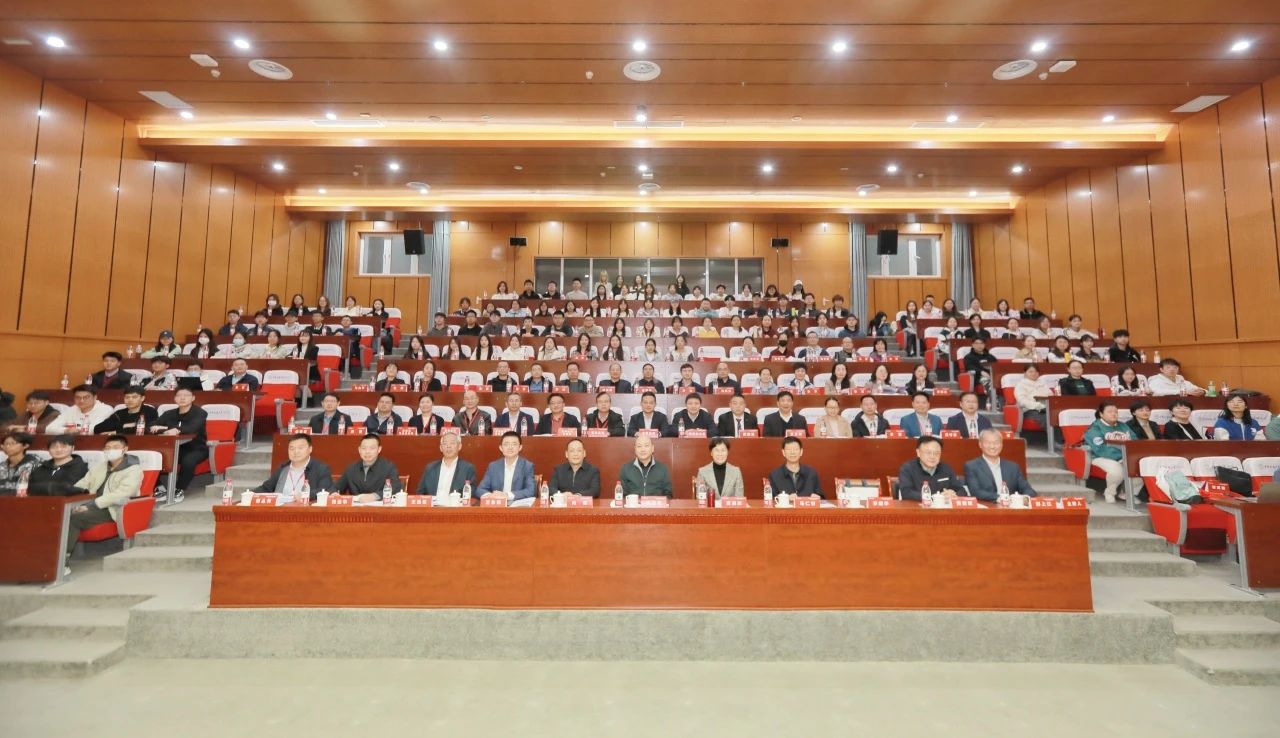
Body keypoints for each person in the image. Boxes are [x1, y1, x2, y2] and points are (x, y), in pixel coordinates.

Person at [63, 434, 143, 557]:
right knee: (59, 514)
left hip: (113, 508)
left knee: (74, 518)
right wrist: (74, 501)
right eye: (108, 448)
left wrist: (91, 505)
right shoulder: (100, 466)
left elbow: (125, 492)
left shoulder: (133, 469)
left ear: (125, 449)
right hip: (89, 504)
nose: (111, 450)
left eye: (115, 447)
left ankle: (63, 558)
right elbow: (83, 484)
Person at [150, 387, 208, 503]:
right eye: (179, 395)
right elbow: (151, 427)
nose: (182, 398)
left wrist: (171, 429)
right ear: (175, 398)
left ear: (193, 398)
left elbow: (191, 428)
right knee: (153, 457)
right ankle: (159, 488)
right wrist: (167, 429)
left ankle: (179, 489)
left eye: (186, 395)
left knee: (188, 461)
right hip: (173, 448)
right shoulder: (168, 414)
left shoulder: (200, 413)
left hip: (196, 448)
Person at [1083, 401, 1137, 503]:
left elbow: (1134, 441)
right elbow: (1100, 449)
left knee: (1140, 469)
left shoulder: (1123, 426)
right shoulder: (1095, 428)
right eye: (1110, 411)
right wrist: (1122, 457)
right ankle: (1110, 492)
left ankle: (1126, 493)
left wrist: (1128, 456)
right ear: (1101, 414)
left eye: (1116, 412)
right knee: (1117, 471)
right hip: (1100, 457)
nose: (1114, 414)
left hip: (1124, 457)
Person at [253, 434, 333, 502]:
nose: (296, 452)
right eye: (292, 448)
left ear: (310, 449)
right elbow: (266, 488)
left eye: (300, 448)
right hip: (280, 510)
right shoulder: (283, 468)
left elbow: (324, 490)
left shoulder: (321, 469)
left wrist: (305, 496)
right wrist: (251, 494)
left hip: (305, 511)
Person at [962, 429, 1037, 501]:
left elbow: (1029, 490)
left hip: (1011, 507)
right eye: (988, 443)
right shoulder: (971, 466)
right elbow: (975, 492)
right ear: (980, 444)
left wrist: (1024, 498)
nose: (992, 446)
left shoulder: (1013, 467)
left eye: (996, 443)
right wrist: (1002, 498)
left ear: (1001, 444)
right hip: (987, 506)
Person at [332, 434, 404, 503]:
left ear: (379, 449)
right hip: (356, 509)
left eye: (372, 448)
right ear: (359, 450)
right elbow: (336, 486)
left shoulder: (389, 467)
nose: (367, 452)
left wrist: (374, 496)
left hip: (380, 509)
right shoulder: (351, 468)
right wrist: (334, 493)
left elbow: (396, 487)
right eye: (364, 448)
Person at [896, 436, 964, 501]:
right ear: (918, 452)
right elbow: (906, 493)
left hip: (942, 507)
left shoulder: (946, 468)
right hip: (918, 507)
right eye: (928, 452)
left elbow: (962, 490)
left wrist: (954, 494)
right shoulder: (907, 469)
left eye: (937, 453)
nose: (932, 456)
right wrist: (933, 497)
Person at [476, 432, 536, 502]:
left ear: (520, 447)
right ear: (501, 448)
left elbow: (530, 491)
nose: (510, 447)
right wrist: (492, 496)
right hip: (497, 505)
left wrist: (507, 495)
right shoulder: (493, 466)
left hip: (517, 505)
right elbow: (480, 490)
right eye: (506, 444)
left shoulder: (527, 466)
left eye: (514, 444)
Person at [416, 432, 478, 497]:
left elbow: (470, 493)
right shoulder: (430, 468)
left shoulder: (468, 469)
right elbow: (420, 492)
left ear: (459, 446)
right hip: (433, 503)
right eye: (445, 443)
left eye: (452, 443)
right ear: (441, 448)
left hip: (455, 503)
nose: (448, 446)